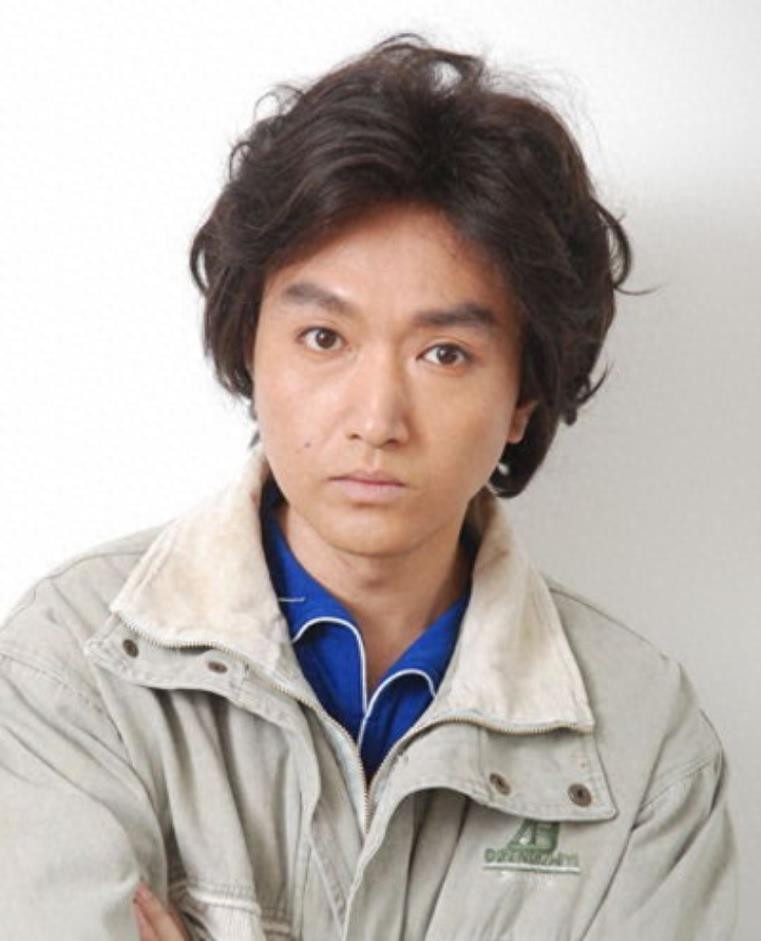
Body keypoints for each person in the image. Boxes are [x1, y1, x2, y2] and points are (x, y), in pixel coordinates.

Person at [0, 33, 737, 941]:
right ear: (250, 347)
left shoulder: (641, 738)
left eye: (444, 353)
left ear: (522, 396)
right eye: (324, 339)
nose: (377, 417)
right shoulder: (73, 665)